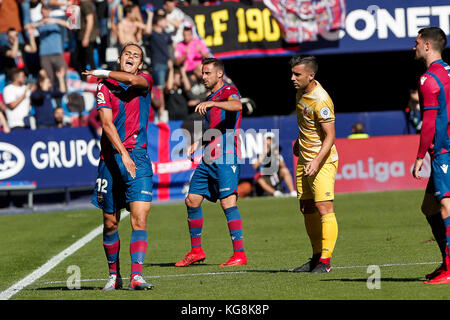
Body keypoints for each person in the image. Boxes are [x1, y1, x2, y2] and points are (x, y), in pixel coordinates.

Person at [83, 43, 155, 291]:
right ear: (120, 59)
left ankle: (137, 276)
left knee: (139, 217)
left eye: (136, 56)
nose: (132, 58)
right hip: (111, 159)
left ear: (140, 65)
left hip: (139, 158)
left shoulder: (144, 81)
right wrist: (122, 153)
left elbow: (133, 80)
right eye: (127, 54)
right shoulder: (103, 88)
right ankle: (114, 275)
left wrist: (102, 71)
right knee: (110, 222)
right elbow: (106, 124)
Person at [175, 57, 247, 267]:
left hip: (226, 156)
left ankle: (239, 254)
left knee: (228, 203)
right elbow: (212, 129)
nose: (203, 76)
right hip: (209, 157)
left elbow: (237, 105)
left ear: (219, 74)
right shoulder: (212, 96)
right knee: (192, 200)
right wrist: (197, 143)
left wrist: (213, 102)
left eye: (207, 73)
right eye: (202, 72)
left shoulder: (228, 91)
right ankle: (196, 251)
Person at [290, 56, 339, 274]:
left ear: (311, 75)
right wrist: (299, 144)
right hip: (304, 159)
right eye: (292, 73)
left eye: (297, 74)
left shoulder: (321, 100)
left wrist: (317, 160)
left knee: (323, 207)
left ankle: (326, 261)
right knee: (306, 207)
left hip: (322, 161)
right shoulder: (301, 93)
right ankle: (316, 257)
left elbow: (330, 136)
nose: (292, 78)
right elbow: (308, 125)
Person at [412, 27, 450, 285]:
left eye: (416, 43)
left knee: (446, 205)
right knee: (429, 207)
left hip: (444, 151)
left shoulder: (428, 79)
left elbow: (428, 123)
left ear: (427, 45)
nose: (413, 47)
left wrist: (419, 157)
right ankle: (445, 262)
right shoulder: (448, 71)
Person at [253, 132, 296, 197]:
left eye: (271, 140)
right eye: (268, 140)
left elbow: (283, 167)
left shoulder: (277, 153)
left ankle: (292, 191)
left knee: (284, 170)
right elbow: (255, 166)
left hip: (275, 177)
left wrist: (275, 155)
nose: (269, 142)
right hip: (265, 178)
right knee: (259, 179)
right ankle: (275, 193)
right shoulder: (259, 153)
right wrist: (264, 153)